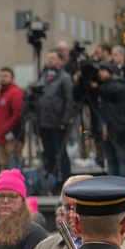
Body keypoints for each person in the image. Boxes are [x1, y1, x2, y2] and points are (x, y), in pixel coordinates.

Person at [37, 48, 76, 193]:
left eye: (53, 58)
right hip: (44, 121)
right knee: (48, 154)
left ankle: (66, 181)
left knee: (61, 153)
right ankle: (52, 183)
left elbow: (69, 100)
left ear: (60, 60)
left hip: (57, 122)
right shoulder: (44, 76)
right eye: (48, 58)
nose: (50, 61)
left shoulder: (64, 78)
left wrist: (65, 120)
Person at [96, 62, 125, 180]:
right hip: (107, 130)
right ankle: (111, 191)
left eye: (103, 70)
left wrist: (96, 86)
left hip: (120, 129)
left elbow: (112, 91)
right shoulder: (102, 88)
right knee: (111, 161)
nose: (100, 73)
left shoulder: (118, 85)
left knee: (122, 161)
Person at [0, 67, 24, 171]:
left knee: (13, 165)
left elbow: (17, 114)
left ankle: (14, 187)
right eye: (1, 76)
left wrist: (6, 129)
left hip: (11, 137)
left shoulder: (15, 93)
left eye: (6, 76)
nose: (3, 78)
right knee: (3, 165)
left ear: (12, 78)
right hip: (1, 138)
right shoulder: (1, 94)